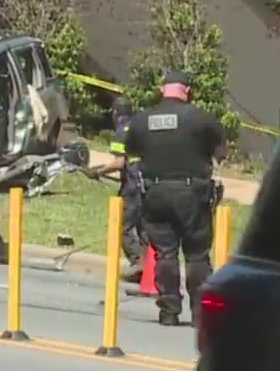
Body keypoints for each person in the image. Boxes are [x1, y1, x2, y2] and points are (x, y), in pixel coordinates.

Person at [125, 70, 226, 327]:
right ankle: (200, 313)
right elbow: (220, 151)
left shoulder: (142, 120)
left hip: (156, 193)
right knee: (197, 255)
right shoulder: (201, 118)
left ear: (162, 89)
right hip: (193, 194)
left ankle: (169, 310)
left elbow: (131, 150)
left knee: (165, 253)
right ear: (187, 91)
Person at [88, 96, 147, 282]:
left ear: (115, 113)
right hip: (148, 185)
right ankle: (149, 267)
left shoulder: (122, 131)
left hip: (132, 186)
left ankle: (138, 263)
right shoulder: (141, 127)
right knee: (144, 228)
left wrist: (98, 172)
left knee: (124, 226)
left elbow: (119, 162)